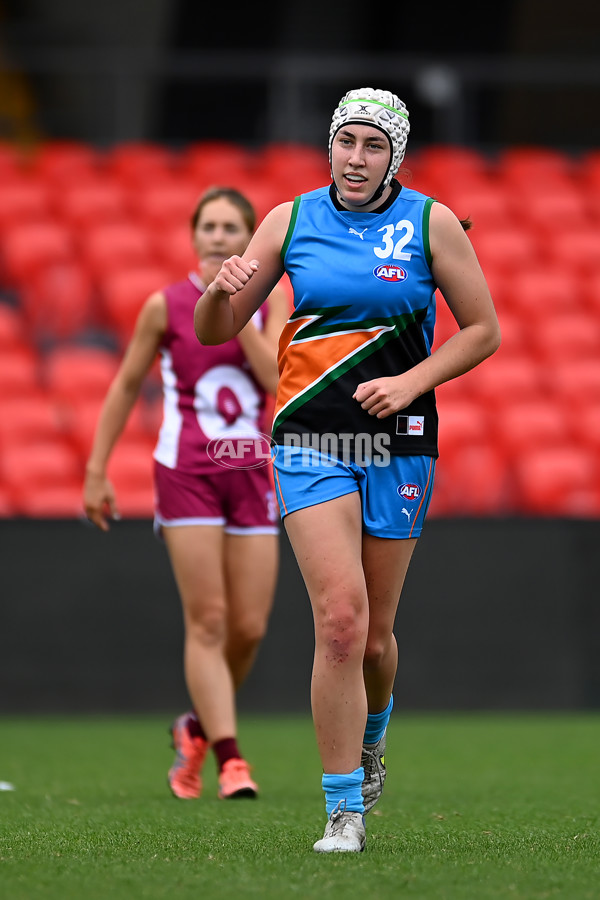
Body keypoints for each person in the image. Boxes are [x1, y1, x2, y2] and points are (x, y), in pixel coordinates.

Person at [193, 88, 501, 851]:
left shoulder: (429, 222)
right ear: (328, 146)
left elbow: (484, 331)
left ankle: (373, 738)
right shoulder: (289, 219)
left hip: (399, 441)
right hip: (309, 439)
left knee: (374, 640)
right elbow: (215, 331)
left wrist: (412, 381)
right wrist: (215, 294)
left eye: (371, 146)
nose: (355, 159)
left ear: (394, 154)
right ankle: (343, 809)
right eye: (345, 143)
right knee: (339, 623)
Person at [84, 186, 290, 801]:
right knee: (209, 619)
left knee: (249, 628)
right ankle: (231, 759)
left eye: (232, 228)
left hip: (252, 470)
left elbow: (273, 378)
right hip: (187, 472)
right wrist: (97, 470)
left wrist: (234, 303)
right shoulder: (163, 305)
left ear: (251, 239)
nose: (219, 237)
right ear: (194, 236)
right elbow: (124, 387)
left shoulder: (273, 302)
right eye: (210, 227)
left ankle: (195, 728)